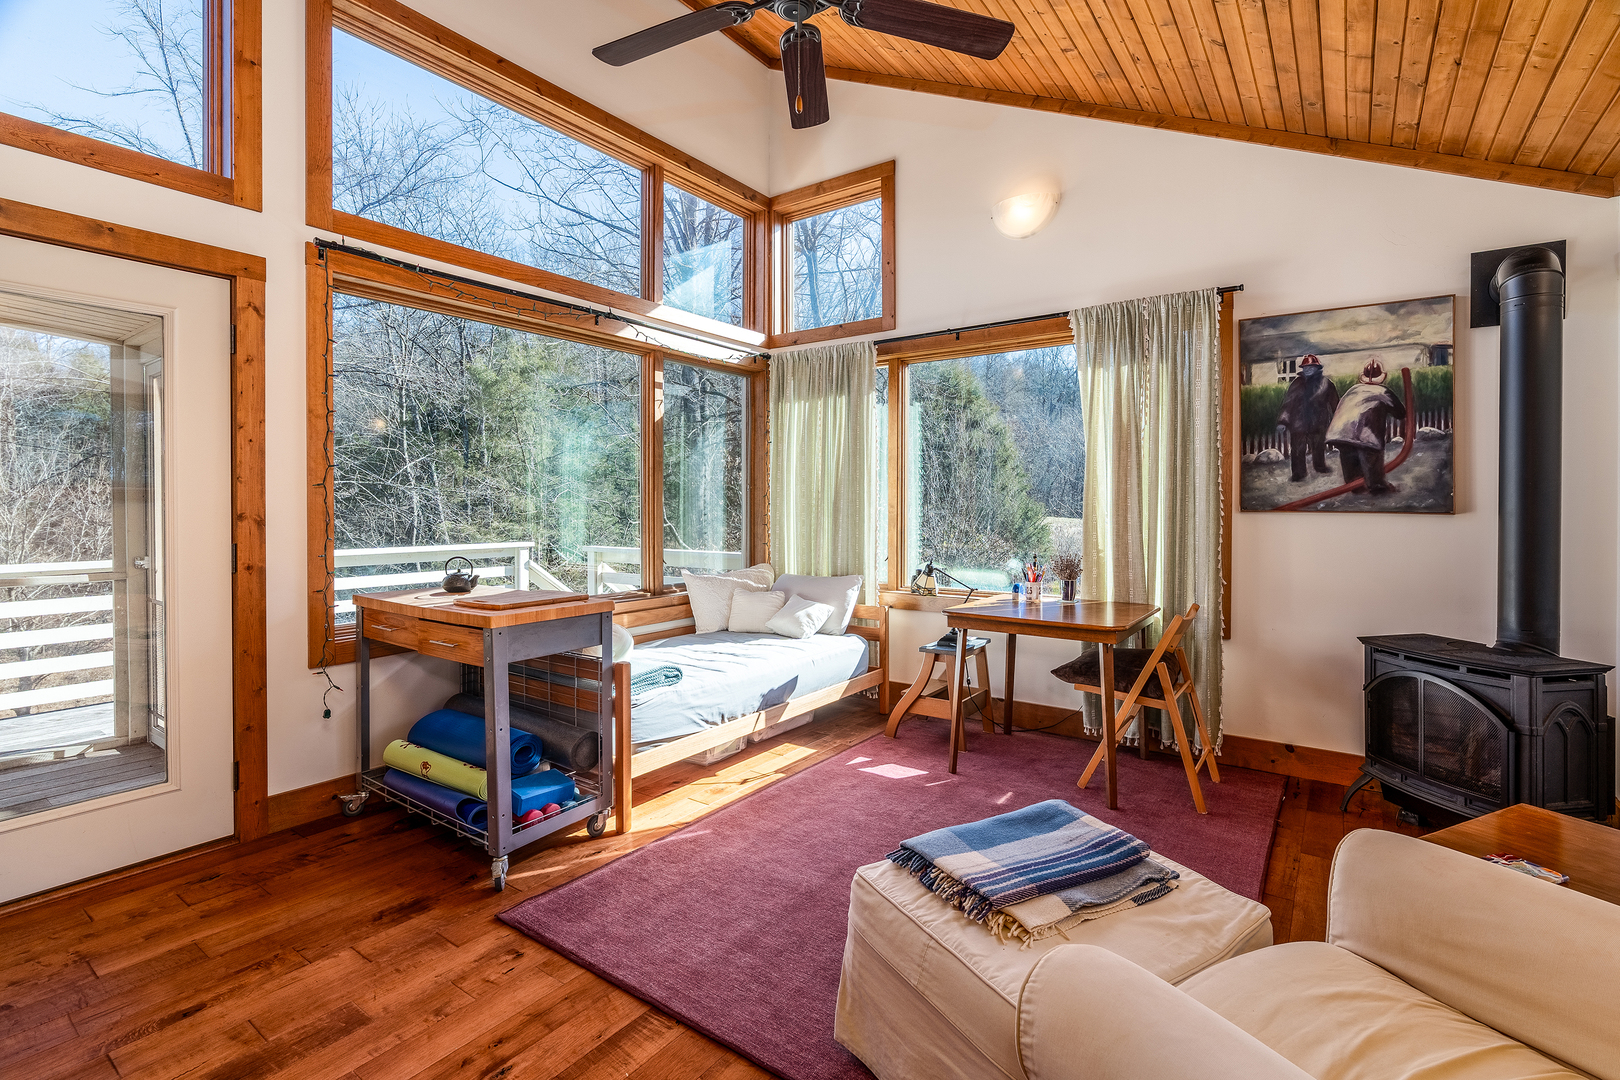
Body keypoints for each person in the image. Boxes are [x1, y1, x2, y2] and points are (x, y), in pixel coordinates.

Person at [1325, 357, 1407, 494]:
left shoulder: (1353, 390)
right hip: (1367, 438)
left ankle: (1356, 489)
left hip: (1340, 435)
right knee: (1374, 476)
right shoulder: (1383, 392)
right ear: (1382, 377)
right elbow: (1400, 413)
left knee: (1352, 478)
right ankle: (1379, 490)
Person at [1274, 354, 1339, 481]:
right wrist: (1282, 421)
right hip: (1298, 422)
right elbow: (1288, 403)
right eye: (1305, 367)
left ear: (1317, 368)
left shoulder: (1326, 383)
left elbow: (1335, 403)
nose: (1308, 369)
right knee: (1298, 448)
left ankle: (1320, 466)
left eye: (1311, 367)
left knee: (1319, 445)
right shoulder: (1297, 383)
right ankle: (1298, 473)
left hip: (1319, 421)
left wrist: (1338, 418)